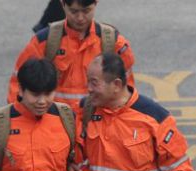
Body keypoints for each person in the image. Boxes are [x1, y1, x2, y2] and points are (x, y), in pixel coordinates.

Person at [7, 0, 135, 110]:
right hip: (55, 125)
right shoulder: (44, 42)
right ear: (62, 4)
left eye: (86, 11)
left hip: (97, 127)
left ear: (96, 3)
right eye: (74, 11)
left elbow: (126, 91)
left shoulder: (114, 42)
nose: (80, 18)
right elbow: (19, 84)